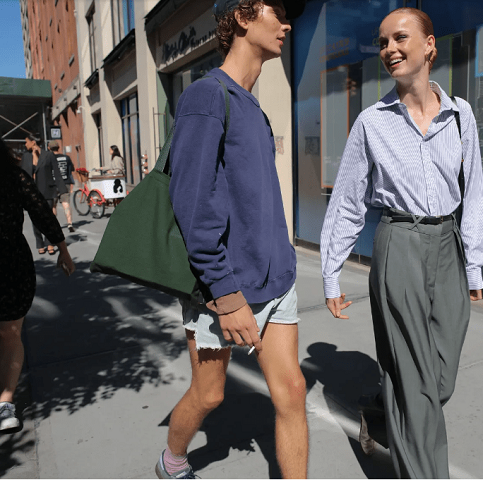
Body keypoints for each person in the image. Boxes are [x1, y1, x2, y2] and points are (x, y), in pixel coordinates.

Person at [320, 8, 483, 479]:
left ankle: (381, 411)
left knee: (439, 380)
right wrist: (331, 273)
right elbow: (348, 201)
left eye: (400, 38)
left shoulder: (461, 116)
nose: (389, 49)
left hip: (448, 244)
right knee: (416, 388)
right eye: (383, 42)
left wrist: (473, 263)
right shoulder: (372, 123)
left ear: (430, 45)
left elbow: (474, 192)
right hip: (399, 245)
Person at [156, 1, 307, 478]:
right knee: (210, 394)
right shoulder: (206, 96)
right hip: (225, 285)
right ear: (242, 17)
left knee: (293, 391)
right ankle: (172, 460)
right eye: (275, 11)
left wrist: (283, 260)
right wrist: (225, 293)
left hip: (276, 278)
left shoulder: (254, 108)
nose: (286, 24)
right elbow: (192, 205)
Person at [0, 136, 76, 433]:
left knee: (9, 333)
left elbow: (40, 210)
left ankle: (5, 401)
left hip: (10, 264)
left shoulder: (13, 177)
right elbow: (39, 210)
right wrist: (63, 249)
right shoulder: (14, 176)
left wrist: (62, 248)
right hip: (11, 262)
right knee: (9, 334)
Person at [31, 137, 68, 255]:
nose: (26, 144)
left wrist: (62, 190)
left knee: (48, 218)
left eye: (27, 142)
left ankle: (49, 242)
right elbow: (29, 171)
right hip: (32, 192)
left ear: (33, 143)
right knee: (36, 219)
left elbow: (57, 172)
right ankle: (40, 243)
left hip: (47, 191)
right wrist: (33, 156)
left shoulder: (49, 155)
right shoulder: (27, 156)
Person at [49, 141, 76, 232]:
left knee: (53, 205)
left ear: (49, 148)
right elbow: (71, 169)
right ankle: (70, 224)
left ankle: (54, 225)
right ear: (58, 147)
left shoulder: (49, 158)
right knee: (66, 203)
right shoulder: (66, 157)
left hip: (53, 184)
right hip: (65, 183)